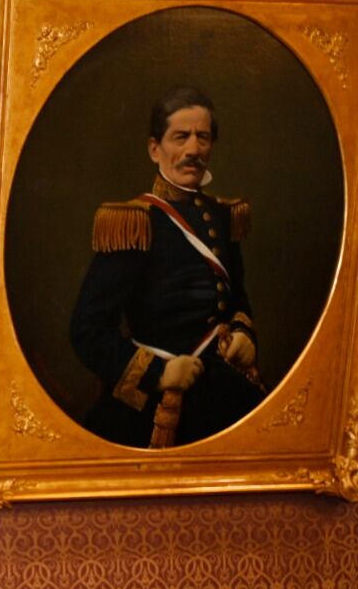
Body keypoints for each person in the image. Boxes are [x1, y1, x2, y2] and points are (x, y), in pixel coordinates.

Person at [70, 85, 265, 447]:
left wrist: (244, 336)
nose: (193, 149)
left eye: (202, 138)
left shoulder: (223, 216)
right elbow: (88, 330)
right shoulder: (134, 223)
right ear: (154, 149)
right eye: (181, 137)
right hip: (161, 404)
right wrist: (158, 374)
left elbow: (237, 300)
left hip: (224, 392)